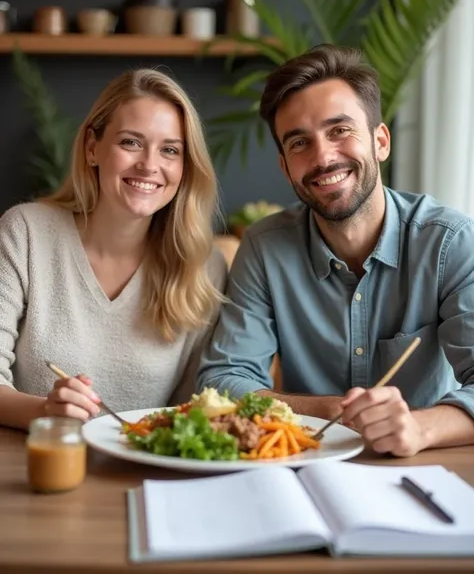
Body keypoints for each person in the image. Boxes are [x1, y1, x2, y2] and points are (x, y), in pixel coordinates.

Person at [197, 44, 474, 457]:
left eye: (340, 131)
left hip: (424, 466)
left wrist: (418, 428)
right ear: (285, 166)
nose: (323, 157)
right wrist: (328, 412)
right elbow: (224, 379)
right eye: (299, 143)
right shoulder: (264, 247)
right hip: (306, 463)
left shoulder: (448, 241)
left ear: (380, 141)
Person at [0, 68, 227, 430]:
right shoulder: (25, 232)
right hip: (38, 463)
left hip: (145, 473)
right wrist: (45, 413)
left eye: (169, 150)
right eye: (131, 142)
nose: (149, 165)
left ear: (185, 166)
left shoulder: (203, 267)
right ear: (93, 147)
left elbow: (191, 411)